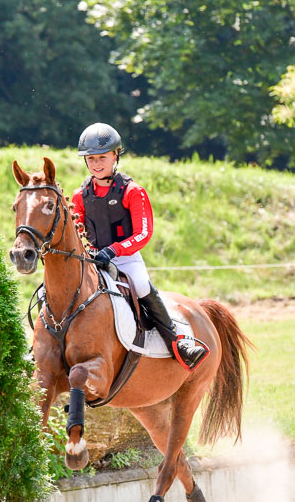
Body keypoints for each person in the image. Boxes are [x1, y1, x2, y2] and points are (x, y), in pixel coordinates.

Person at [71, 122, 208, 371]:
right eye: (90, 158)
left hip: (125, 259)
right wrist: (89, 252)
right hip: (92, 260)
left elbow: (143, 233)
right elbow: (77, 231)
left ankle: (178, 342)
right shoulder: (79, 196)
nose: (96, 163)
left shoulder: (133, 191)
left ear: (116, 156)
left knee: (143, 285)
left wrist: (113, 250)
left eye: (102, 157)